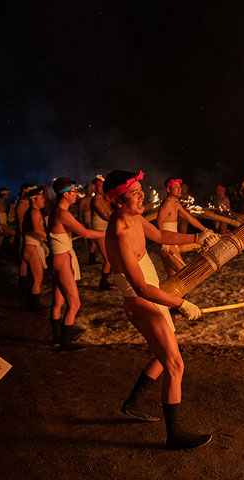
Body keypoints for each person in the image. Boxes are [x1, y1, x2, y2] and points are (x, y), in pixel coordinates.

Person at [103, 169, 219, 450]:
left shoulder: (135, 218)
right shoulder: (120, 232)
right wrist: (182, 303)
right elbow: (141, 289)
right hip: (142, 301)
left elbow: (158, 234)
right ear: (118, 201)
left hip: (152, 295)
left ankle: (134, 402)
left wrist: (196, 240)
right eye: (134, 193)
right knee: (175, 364)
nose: (142, 195)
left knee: (165, 354)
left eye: (141, 189)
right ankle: (175, 434)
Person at [48, 177, 104, 350]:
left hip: (56, 259)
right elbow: (85, 233)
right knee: (74, 304)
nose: (76, 195)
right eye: (73, 192)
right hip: (62, 260)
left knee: (58, 302)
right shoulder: (63, 214)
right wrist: (108, 232)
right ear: (65, 195)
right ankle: (65, 344)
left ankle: (57, 338)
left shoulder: (55, 211)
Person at [156, 178, 214, 278]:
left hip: (172, 242)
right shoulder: (167, 203)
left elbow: (190, 219)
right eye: (176, 187)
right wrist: (164, 242)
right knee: (183, 272)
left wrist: (205, 230)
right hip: (167, 244)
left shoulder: (176, 204)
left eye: (180, 187)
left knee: (172, 275)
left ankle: (170, 293)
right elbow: (159, 221)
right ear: (168, 190)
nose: (179, 189)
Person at [22, 187, 49, 311]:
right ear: (34, 200)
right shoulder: (34, 211)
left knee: (33, 277)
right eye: (41, 198)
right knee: (38, 278)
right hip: (32, 247)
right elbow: (37, 230)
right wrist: (50, 239)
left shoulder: (34, 211)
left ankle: (30, 302)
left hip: (31, 246)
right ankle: (35, 306)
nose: (44, 199)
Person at [91, 176, 113, 290]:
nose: (101, 188)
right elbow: (102, 215)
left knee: (110, 256)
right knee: (108, 258)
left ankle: (106, 280)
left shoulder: (103, 199)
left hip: (104, 230)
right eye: (99, 187)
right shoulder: (96, 200)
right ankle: (102, 283)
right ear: (95, 188)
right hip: (98, 231)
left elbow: (109, 212)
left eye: (102, 186)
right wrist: (114, 220)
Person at [78, 182, 99, 265]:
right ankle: (91, 259)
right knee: (94, 241)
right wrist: (81, 223)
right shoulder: (83, 200)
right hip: (88, 221)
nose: (90, 191)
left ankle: (92, 258)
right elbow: (80, 213)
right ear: (86, 190)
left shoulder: (94, 199)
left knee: (95, 241)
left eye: (91, 189)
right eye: (88, 189)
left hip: (94, 219)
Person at [0, 187, 15, 252]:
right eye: (7, 194)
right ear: (3, 195)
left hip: (3, 224)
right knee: (14, 234)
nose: (8, 195)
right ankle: (8, 250)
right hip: (1, 224)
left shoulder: (2, 203)